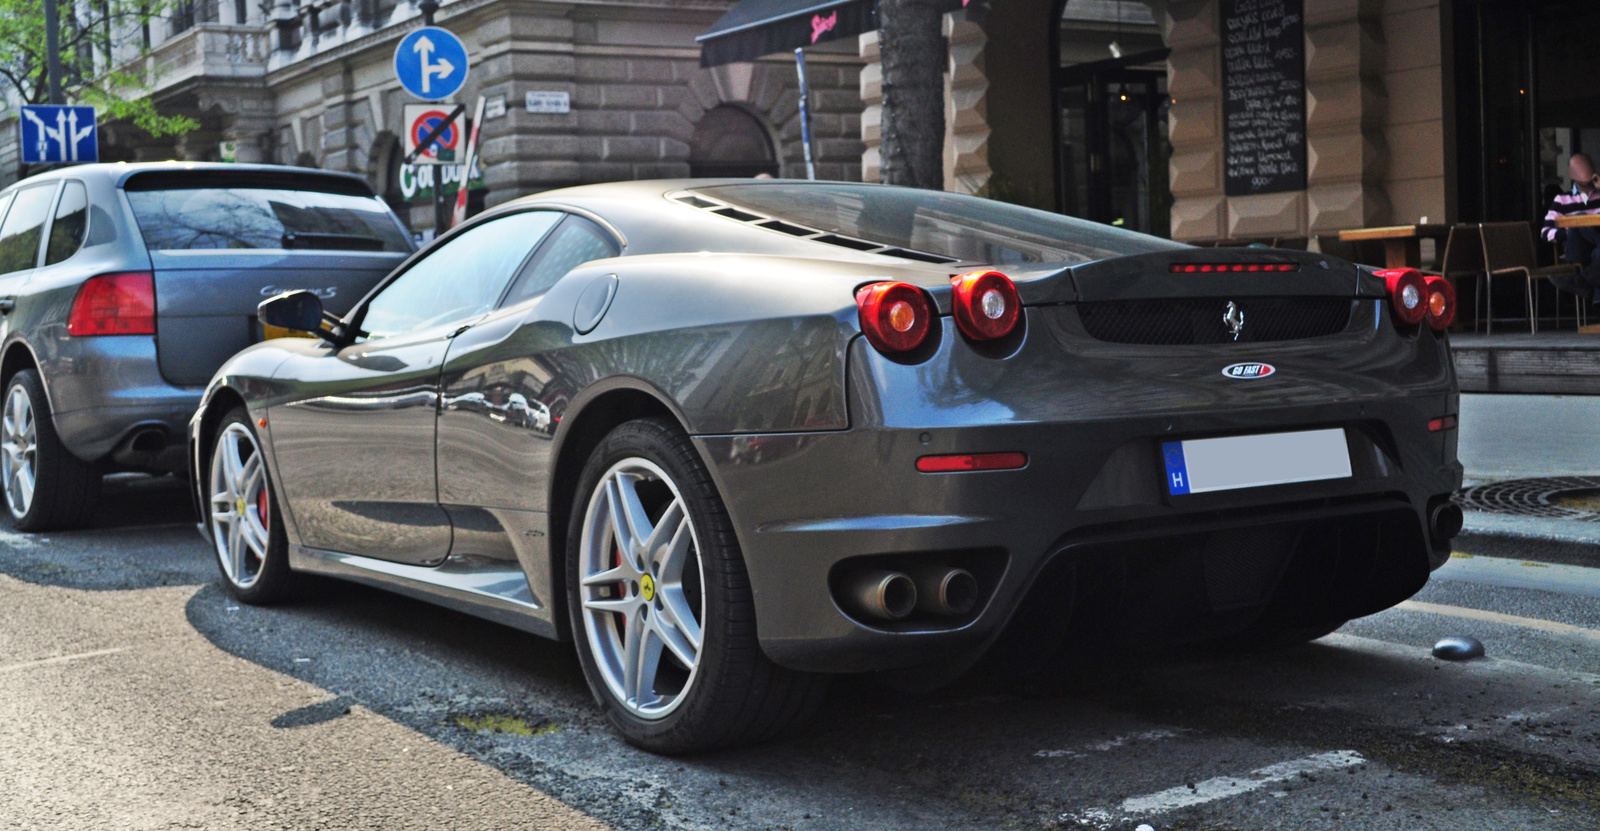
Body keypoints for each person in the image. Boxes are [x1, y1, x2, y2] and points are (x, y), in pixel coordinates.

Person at [1544, 154, 1600, 301]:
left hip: (1596, 250)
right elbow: (1546, 231)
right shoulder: (1562, 199)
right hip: (1577, 250)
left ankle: (1584, 284)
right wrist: (1569, 233)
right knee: (1580, 219)